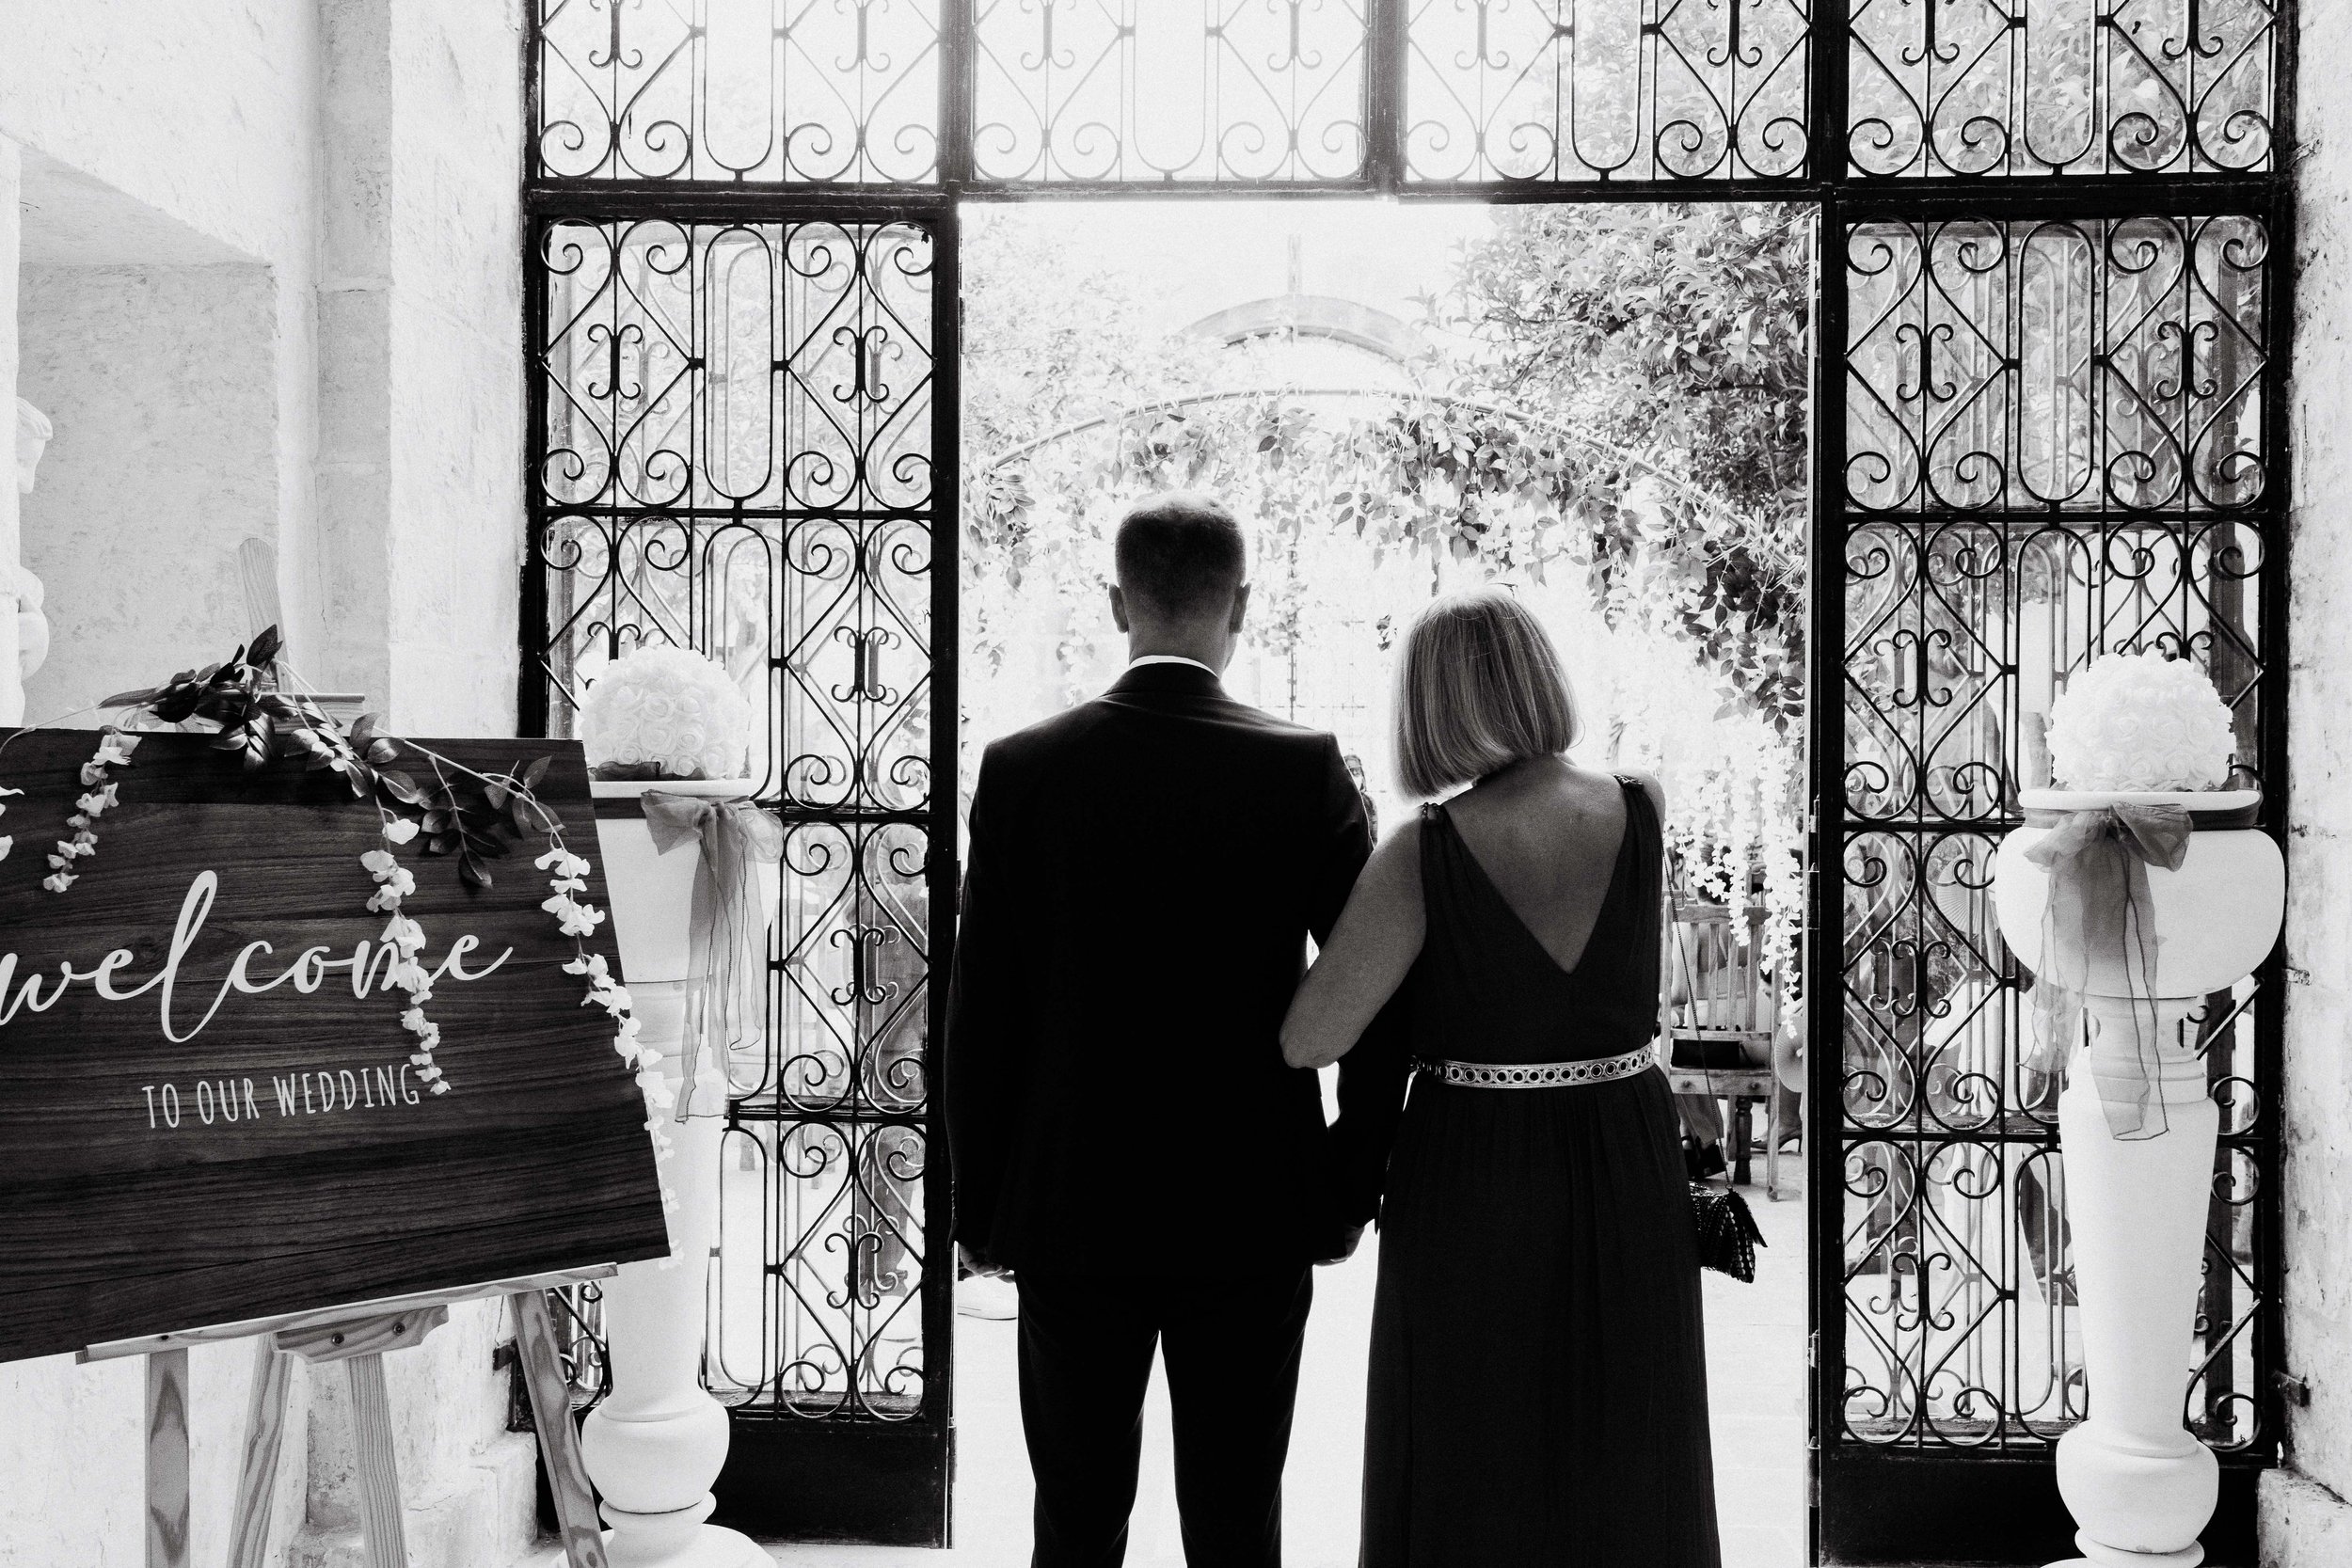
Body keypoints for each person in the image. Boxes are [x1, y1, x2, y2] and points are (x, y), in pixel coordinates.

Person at [945, 491, 1409, 1568]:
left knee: (1073, 1513)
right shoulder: (1301, 767)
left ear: (1117, 600)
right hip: (1250, 1207)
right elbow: (1380, 993)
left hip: (1069, 1204)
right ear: (1240, 602)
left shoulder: (1024, 767)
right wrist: (1347, 1182)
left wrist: (983, 1203)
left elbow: (985, 1007)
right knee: (1237, 1515)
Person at [1280, 588, 1721, 1568]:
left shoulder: (1422, 851)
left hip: (1474, 1164)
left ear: (1428, 706)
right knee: (1625, 1424)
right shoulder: (1642, 801)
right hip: (1625, 1147)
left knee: (1471, 1438)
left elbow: (1313, 1036)